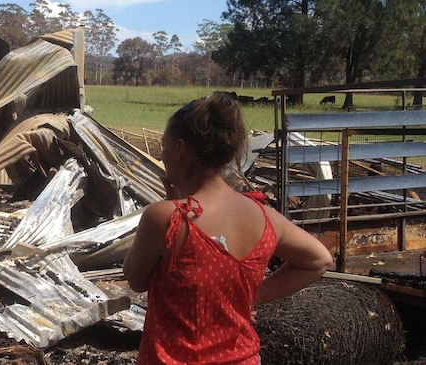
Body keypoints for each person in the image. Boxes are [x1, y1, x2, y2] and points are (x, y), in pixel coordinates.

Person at [122, 93, 333, 364]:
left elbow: (135, 279)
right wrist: (253, 297)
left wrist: (169, 202)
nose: (161, 156)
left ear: (180, 148)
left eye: (163, 146)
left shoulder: (167, 218)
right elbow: (319, 259)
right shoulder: (264, 216)